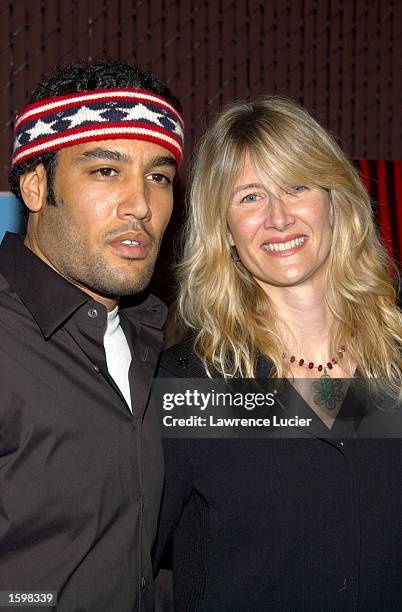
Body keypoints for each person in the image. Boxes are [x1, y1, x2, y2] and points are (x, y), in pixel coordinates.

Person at [154, 97, 402, 610]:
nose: (279, 217)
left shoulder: (395, 365)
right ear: (224, 230)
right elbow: (127, 568)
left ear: (336, 201)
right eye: (249, 197)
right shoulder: (190, 388)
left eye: (296, 186)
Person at [0, 60, 184, 611]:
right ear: (36, 185)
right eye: (106, 171)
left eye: (159, 177)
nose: (141, 206)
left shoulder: (156, 344)